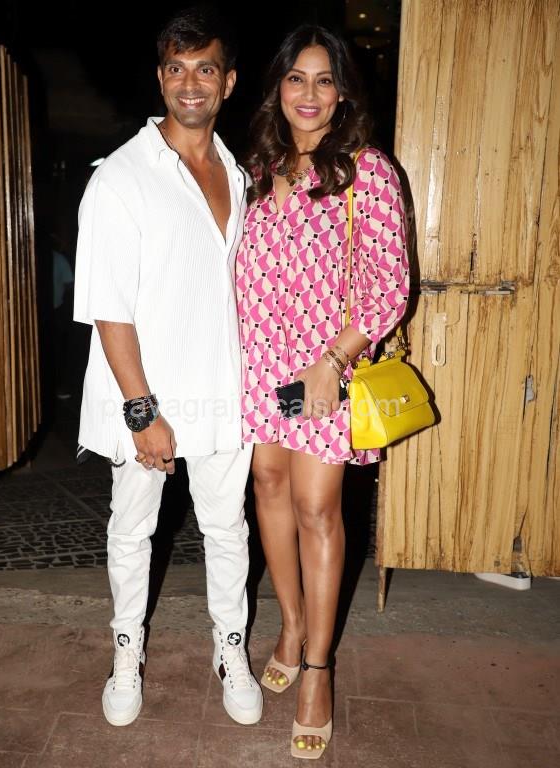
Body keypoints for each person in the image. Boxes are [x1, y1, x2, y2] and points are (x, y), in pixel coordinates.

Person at [73, 5, 262, 728]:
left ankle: (231, 650)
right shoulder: (121, 176)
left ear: (228, 81)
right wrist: (140, 410)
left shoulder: (236, 172)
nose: (190, 84)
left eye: (205, 69)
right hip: (146, 393)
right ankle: (126, 654)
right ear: (160, 79)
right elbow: (108, 308)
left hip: (221, 386)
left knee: (228, 530)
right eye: (177, 69)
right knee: (132, 530)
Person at [236, 25, 409, 758]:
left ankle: (317, 667)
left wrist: (332, 363)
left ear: (342, 92)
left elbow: (390, 285)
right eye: (296, 78)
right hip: (258, 365)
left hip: (324, 370)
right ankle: (291, 622)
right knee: (268, 487)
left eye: (324, 79)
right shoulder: (257, 167)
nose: (309, 94)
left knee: (316, 507)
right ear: (277, 87)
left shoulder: (367, 171)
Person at [51, 234, 75, 399]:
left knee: (58, 350)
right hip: (55, 311)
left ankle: (58, 386)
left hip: (56, 311)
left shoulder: (59, 259)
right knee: (58, 351)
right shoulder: (59, 258)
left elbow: (69, 282)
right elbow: (70, 283)